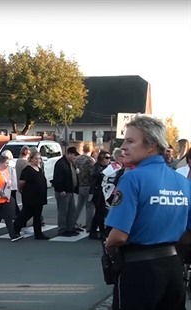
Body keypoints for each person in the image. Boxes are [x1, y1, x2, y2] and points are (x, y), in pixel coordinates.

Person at [104, 115, 191, 310]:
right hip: (173, 268)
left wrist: (108, 246)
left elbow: (118, 236)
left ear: (151, 145)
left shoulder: (132, 179)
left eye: (130, 141)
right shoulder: (183, 182)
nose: (123, 146)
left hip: (139, 270)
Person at [12, 152, 49, 240]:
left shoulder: (39, 169)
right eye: (35, 158)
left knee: (37, 215)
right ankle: (15, 228)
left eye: (39, 158)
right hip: (30, 196)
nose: (37, 160)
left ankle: (38, 233)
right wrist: (21, 190)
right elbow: (21, 183)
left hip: (39, 197)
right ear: (31, 159)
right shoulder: (27, 169)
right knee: (26, 214)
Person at [52, 146, 80, 237]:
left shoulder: (71, 163)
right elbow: (57, 178)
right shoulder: (61, 163)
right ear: (68, 154)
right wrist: (61, 190)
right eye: (73, 155)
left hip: (70, 190)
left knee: (71, 210)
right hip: (63, 191)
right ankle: (62, 229)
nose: (74, 157)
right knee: (63, 212)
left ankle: (70, 228)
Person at [88, 150, 111, 240]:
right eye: (106, 158)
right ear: (101, 158)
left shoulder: (107, 167)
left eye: (109, 158)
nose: (108, 160)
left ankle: (94, 231)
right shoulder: (97, 167)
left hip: (103, 192)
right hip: (97, 193)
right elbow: (93, 175)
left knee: (99, 213)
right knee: (99, 213)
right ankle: (100, 231)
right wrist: (103, 173)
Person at [73, 142, 96, 231]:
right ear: (91, 149)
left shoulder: (77, 159)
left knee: (79, 206)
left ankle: (73, 222)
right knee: (89, 206)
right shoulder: (90, 160)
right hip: (88, 186)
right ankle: (89, 226)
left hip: (79, 185)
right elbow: (92, 174)